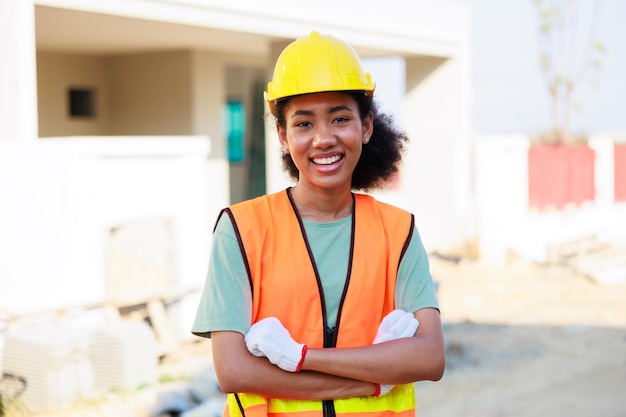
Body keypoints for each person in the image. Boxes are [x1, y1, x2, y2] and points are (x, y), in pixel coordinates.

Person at [192, 31, 445, 417]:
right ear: (282, 135)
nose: (323, 139)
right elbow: (232, 370)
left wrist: (298, 357)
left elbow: (428, 357)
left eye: (340, 118)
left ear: (366, 127)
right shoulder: (241, 229)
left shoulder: (398, 231)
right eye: (303, 124)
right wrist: (373, 377)